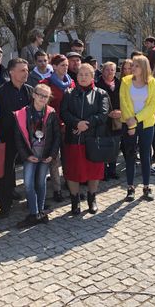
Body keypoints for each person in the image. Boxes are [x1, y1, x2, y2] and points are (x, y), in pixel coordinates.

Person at [61, 64, 109, 215]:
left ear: (92, 76)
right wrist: (77, 123)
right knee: (72, 171)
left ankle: (92, 198)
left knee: (94, 171)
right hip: (73, 140)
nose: (82, 77)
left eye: (86, 74)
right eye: (80, 74)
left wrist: (86, 124)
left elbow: (103, 114)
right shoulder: (68, 93)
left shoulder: (101, 93)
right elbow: (64, 112)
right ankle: (75, 201)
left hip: (93, 140)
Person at [14, 83, 60, 228]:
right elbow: (18, 138)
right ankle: (33, 213)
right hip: (30, 155)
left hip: (45, 155)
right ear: (33, 95)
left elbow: (57, 136)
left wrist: (52, 154)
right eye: (40, 95)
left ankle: (40, 212)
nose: (42, 98)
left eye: (46, 96)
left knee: (41, 183)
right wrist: (26, 156)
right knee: (28, 184)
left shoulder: (51, 113)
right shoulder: (23, 113)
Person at [0, 58, 33, 217]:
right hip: (7, 137)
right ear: (11, 72)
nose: (26, 73)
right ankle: (5, 206)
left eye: (27, 70)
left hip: (26, 138)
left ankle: (34, 201)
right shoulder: (0, 91)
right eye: (22, 70)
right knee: (6, 172)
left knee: (32, 169)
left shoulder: (30, 90)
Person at [120, 55, 155, 201]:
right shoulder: (125, 81)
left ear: (143, 67)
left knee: (145, 155)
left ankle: (146, 187)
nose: (133, 68)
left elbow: (153, 105)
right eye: (132, 65)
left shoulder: (152, 82)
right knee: (130, 155)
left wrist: (136, 120)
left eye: (136, 65)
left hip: (146, 124)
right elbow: (123, 102)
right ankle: (130, 188)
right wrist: (131, 124)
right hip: (128, 123)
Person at [40, 54, 75, 201]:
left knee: (68, 157)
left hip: (68, 126)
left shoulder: (71, 83)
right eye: (62, 65)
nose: (66, 68)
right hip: (52, 126)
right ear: (54, 66)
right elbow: (42, 106)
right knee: (54, 159)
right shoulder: (46, 83)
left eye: (67, 65)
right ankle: (57, 190)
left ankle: (70, 183)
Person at [96, 62, 122, 180]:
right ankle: (104, 171)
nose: (110, 72)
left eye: (112, 70)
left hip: (117, 120)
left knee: (115, 146)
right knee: (104, 146)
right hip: (103, 120)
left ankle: (112, 170)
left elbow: (126, 100)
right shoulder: (97, 84)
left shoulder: (120, 84)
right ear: (102, 71)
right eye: (107, 69)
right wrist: (107, 113)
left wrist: (121, 111)